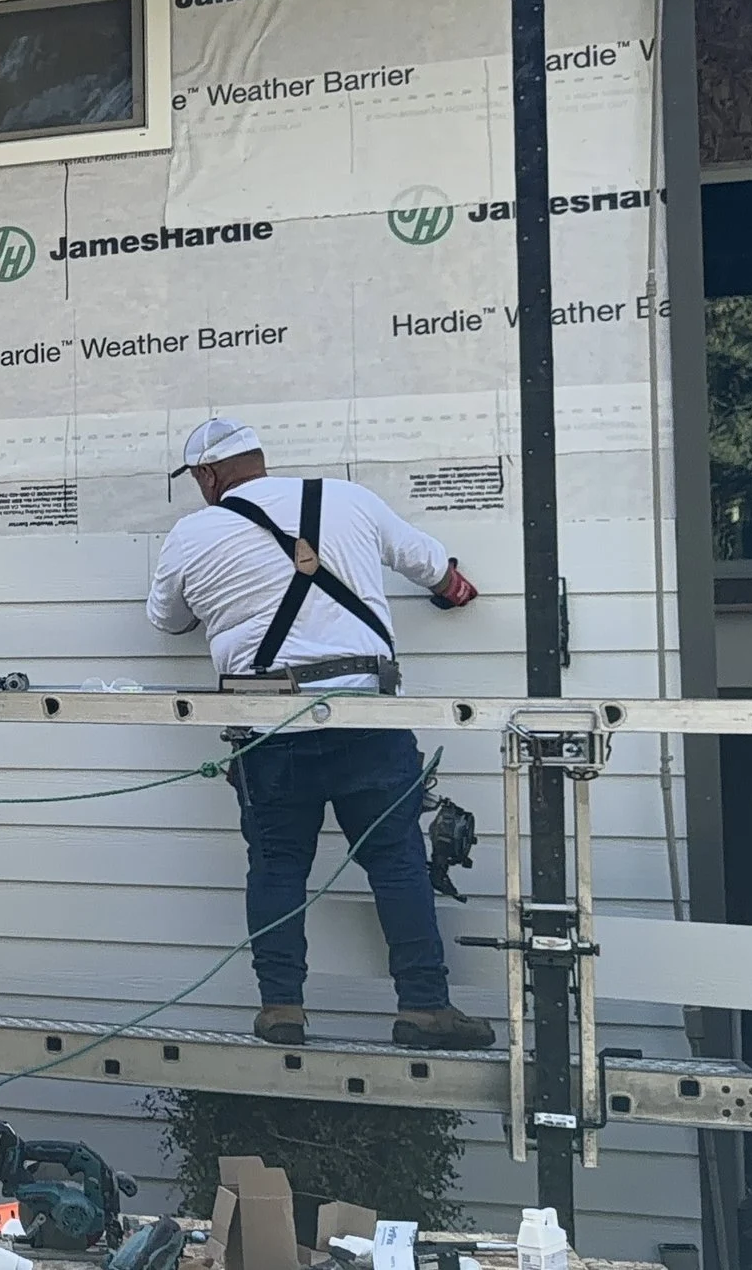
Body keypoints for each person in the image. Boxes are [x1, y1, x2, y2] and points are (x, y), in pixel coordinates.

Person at [146, 418, 495, 1051]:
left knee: (277, 865)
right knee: (397, 863)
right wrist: (455, 591)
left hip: (268, 721)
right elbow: (438, 571)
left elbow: (168, 621)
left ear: (206, 476)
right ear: (261, 458)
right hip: (367, 714)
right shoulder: (348, 497)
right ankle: (425, 1008)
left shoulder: (193, 533)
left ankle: (282, 1009)